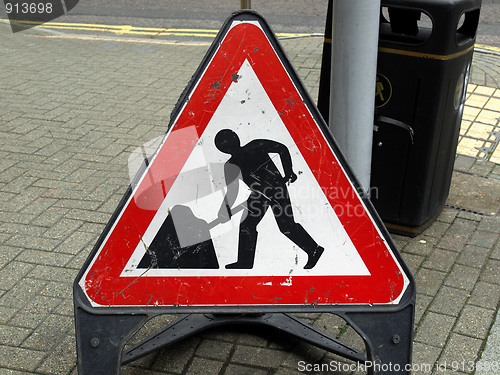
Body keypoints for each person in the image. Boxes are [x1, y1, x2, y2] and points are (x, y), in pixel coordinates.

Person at [215, 129, 324, 269]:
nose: (229, 146)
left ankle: (314, 249)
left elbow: (282, 149)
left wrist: (288, 172)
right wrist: (226, 210)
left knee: (286, 226)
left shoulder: (255, 146)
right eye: (225, 145)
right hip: (258, 195)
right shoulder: (230, 165)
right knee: (247, 225)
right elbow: (232, 190)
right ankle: (245, 262)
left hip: (276, 189)